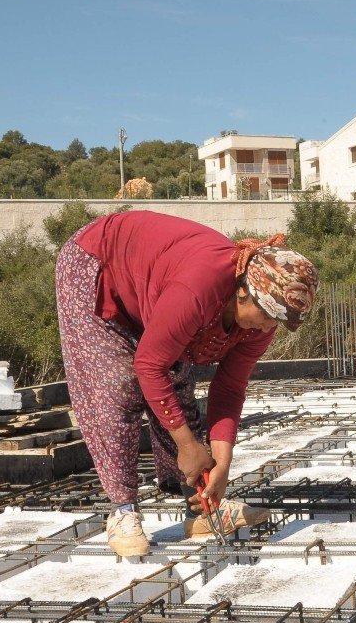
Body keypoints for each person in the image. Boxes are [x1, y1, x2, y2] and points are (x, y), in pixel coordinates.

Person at [55, 211, 319, 556]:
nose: (270, 327)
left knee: (177, 385)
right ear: (243, 294)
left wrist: (222, 464)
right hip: (98, 263)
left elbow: (229, 388)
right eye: (269, 314)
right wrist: (187, 445)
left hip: (153, 286)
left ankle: (200, 510)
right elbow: (149, 365)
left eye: (280, 320)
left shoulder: (260, 325)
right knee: (116, 386)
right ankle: (123, 510)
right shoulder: (198, 290)